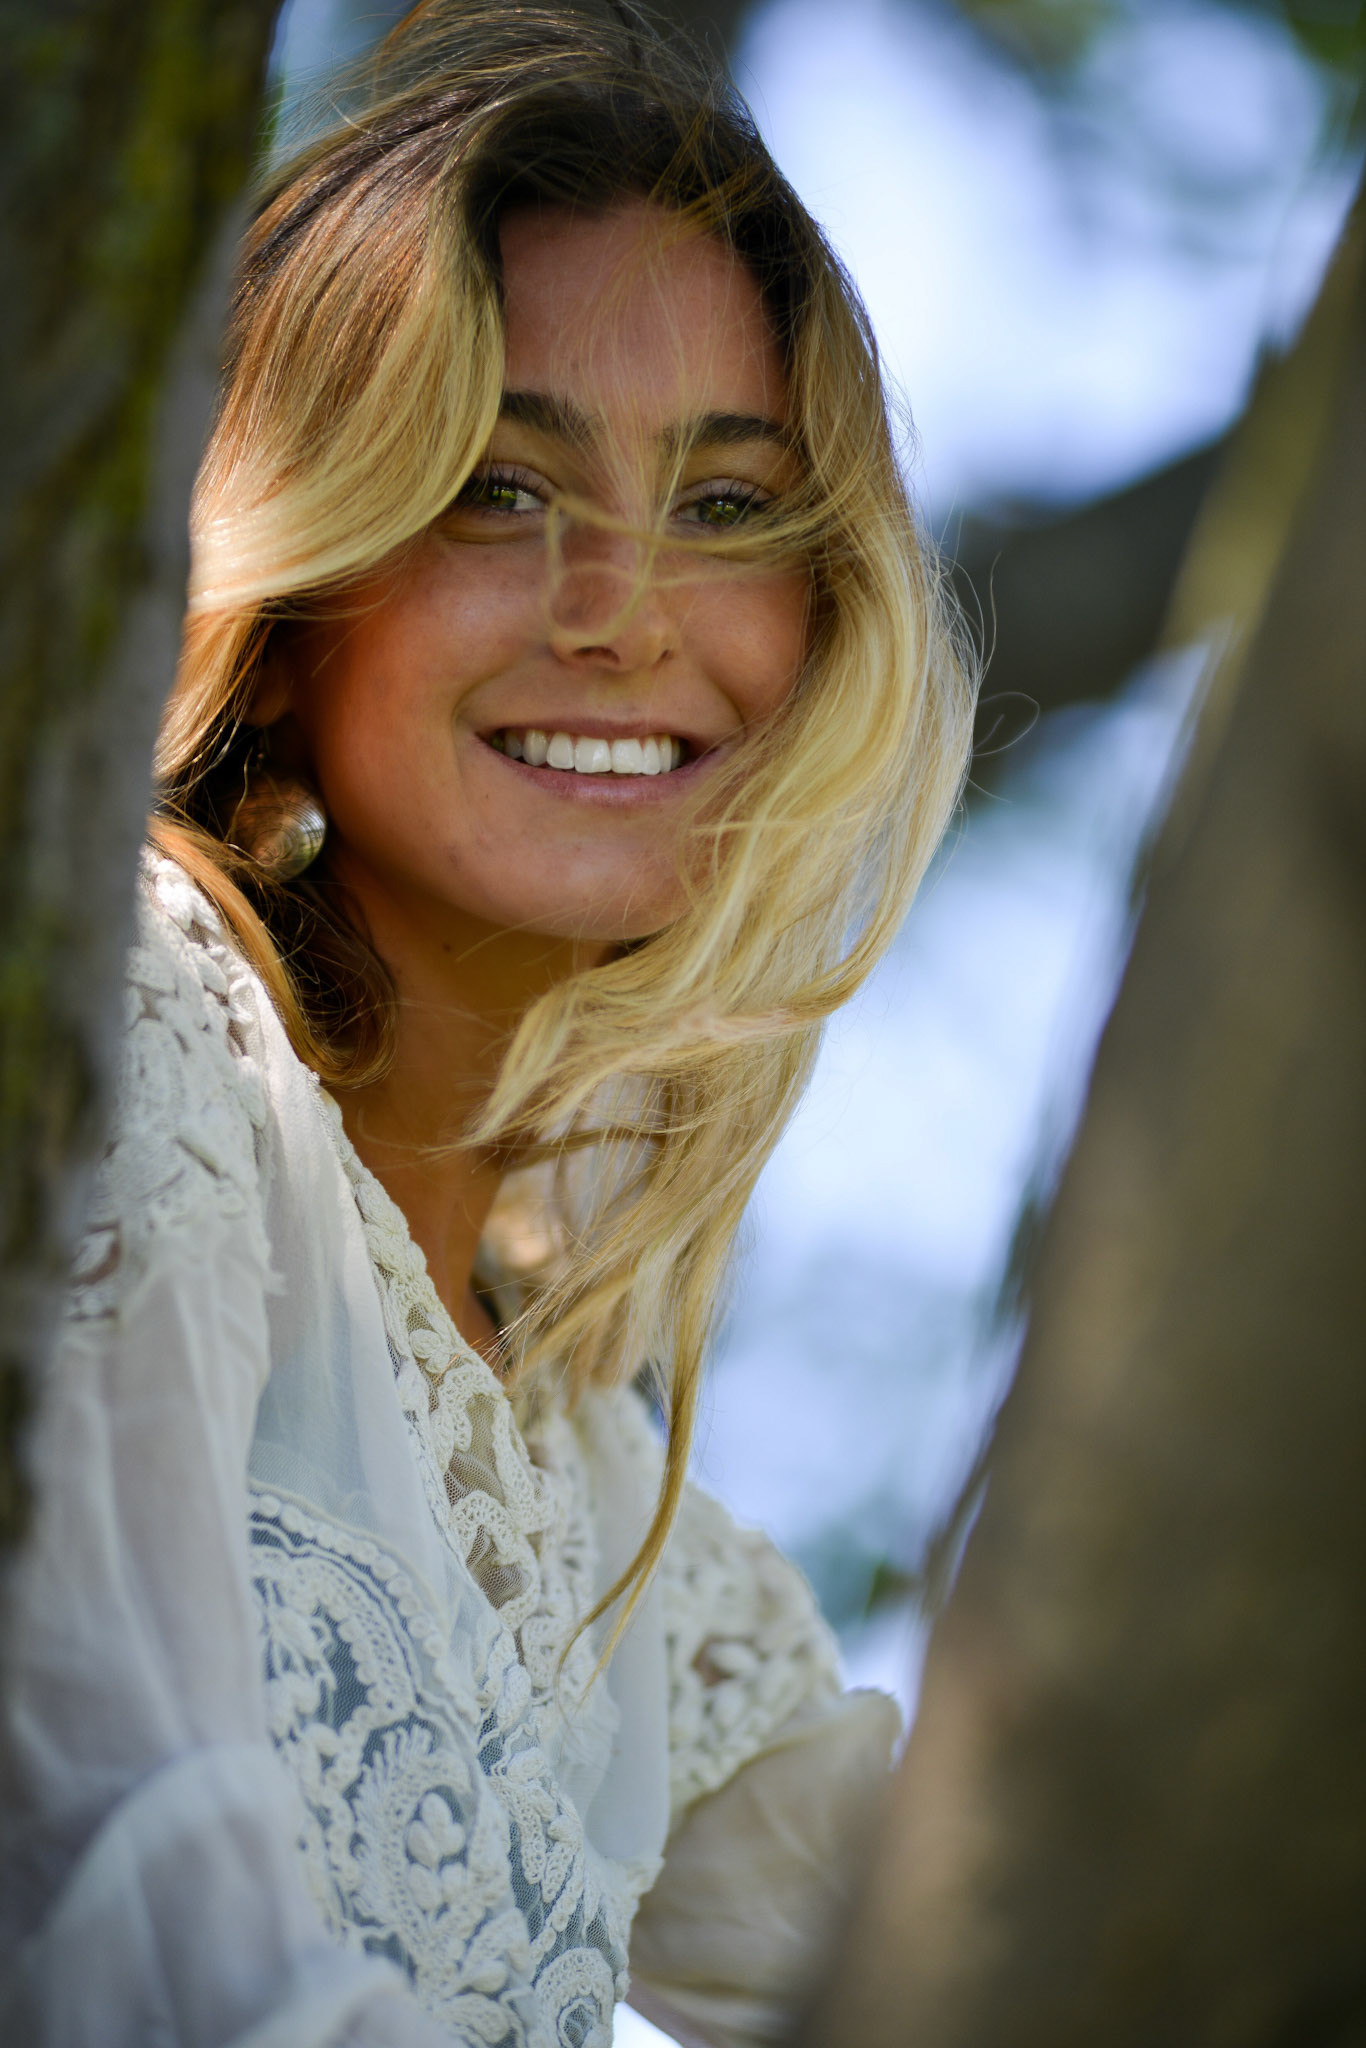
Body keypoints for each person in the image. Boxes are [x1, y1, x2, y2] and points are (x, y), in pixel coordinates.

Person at [0, 5, 974, 2044]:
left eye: (727, 507)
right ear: (293, 595)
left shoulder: (583, 1468)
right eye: (501, 488)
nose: (622, 608)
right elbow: (125, 1907)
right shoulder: (149, 1057)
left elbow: (995, 1965)